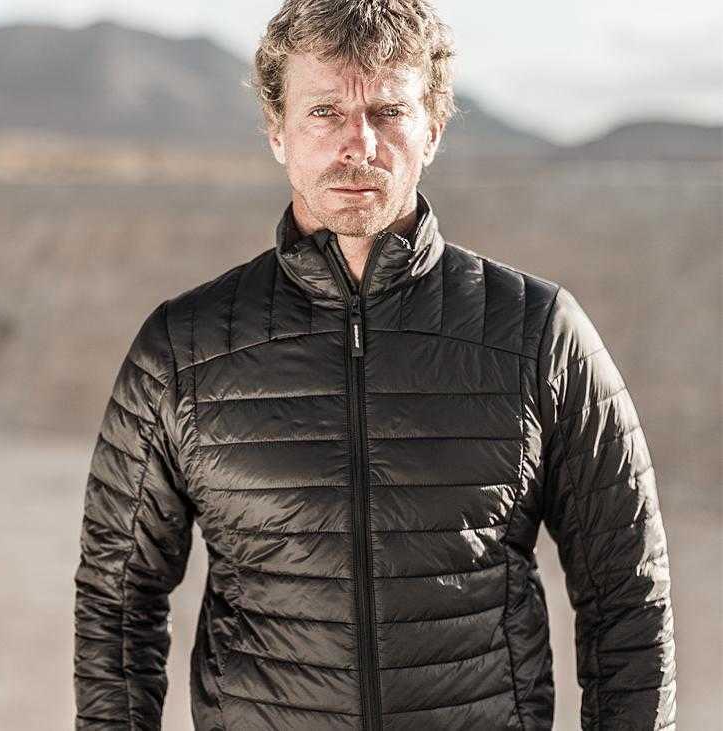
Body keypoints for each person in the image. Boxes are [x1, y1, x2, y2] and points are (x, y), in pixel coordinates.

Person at [73, 1, 677, 729]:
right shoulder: (183, 348)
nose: (357, 143)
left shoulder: (538, 331)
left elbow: (626, 595)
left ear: (434, 127)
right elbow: (116, 603)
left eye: (389, 111)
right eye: (324, 111)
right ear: (277, 129)